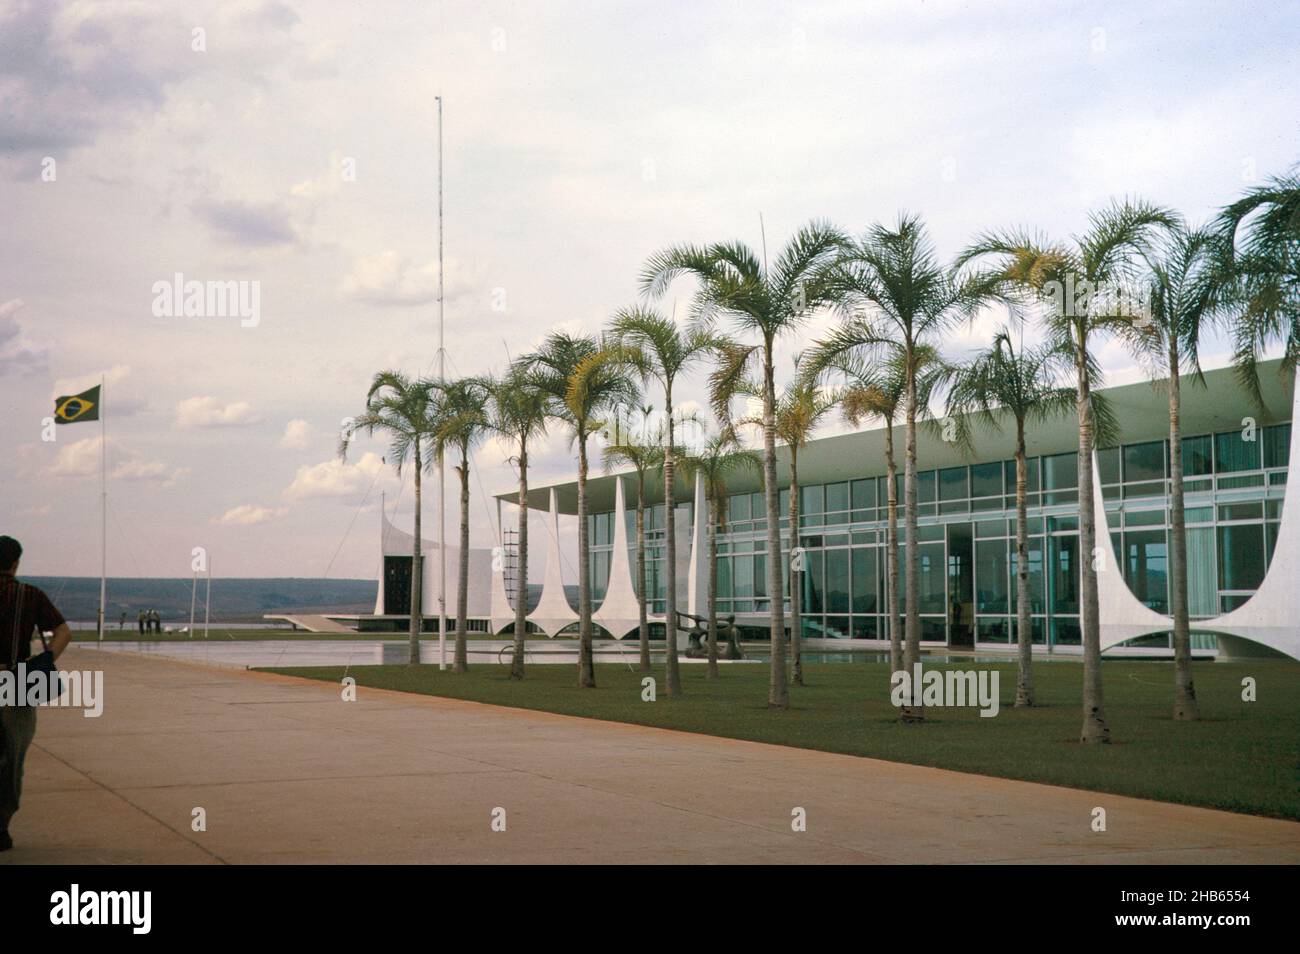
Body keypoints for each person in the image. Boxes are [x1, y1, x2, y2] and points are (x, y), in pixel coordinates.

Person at [0, 535, 72, 852]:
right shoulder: (29, 595)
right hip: (16, 680)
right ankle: (1, 826)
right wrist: (42, 664)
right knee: (12, 758)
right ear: (16, 563)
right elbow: (63, 632)